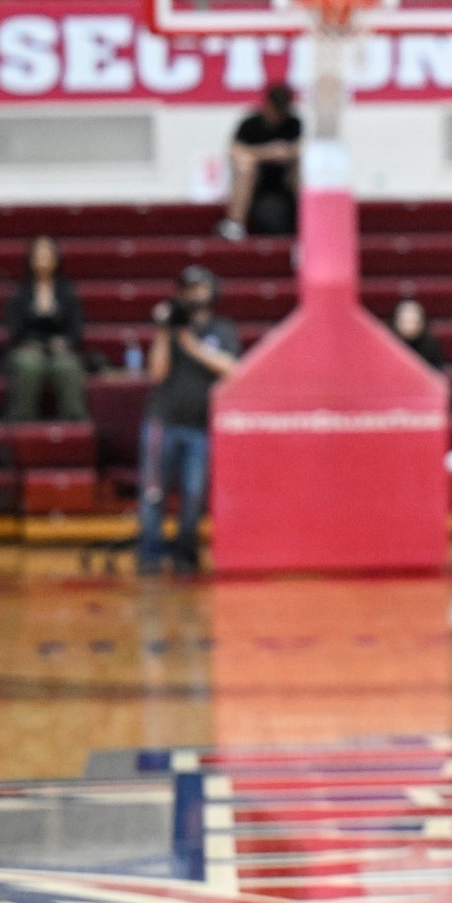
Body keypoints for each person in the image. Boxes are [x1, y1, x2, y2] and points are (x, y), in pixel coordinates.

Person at [138, 266, 240, 575]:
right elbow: (156, 372)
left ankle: (185, 555)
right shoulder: (170, 330)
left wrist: (191, 347)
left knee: (194, 494)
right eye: (188, 289)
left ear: (211, 291)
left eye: (199, 288)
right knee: (153, 493)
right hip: (163, 422)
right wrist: (166, 332)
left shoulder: (222, 330)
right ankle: (150, 557)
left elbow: (231, 368)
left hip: (200, 426)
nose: (194, 294)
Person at [4, 235, 87, 421]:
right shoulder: (21, 291)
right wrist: (26, 344)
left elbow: (76, 326)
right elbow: (14, 327)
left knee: (66, 366)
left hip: (60, 348)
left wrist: (65, 342)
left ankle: (74, 420)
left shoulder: (67, 291)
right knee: (29, 366)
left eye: (47, 255)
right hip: (29, 347)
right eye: (39, 255)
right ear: (31, 259)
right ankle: (22, 420)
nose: (43, 260)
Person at [219, 83, 301, 241]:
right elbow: (236, 152)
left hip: (284, 181)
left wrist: (287, 153)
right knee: (245, 166)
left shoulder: (293, 123)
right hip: (256, 183)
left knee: (302, 164)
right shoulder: (250, 124)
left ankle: (307, 218)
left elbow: (296, 149)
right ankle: (235, 224)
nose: (278, 115)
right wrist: (268, 153)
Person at [390, 298, 445, 369]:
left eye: (413, 321)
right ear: (396, 322)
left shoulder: (430, 347)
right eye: (406, 321)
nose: (409, 326)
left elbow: (436, 373)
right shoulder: (389, 344)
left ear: (422, 322)